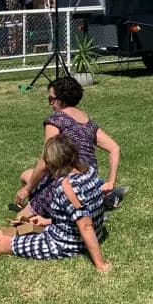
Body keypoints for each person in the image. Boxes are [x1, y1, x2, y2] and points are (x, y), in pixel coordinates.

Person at [0, 135, 110, 271]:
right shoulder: (89, 171)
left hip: (66, 242)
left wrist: (100, 264)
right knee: (26, 228)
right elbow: (83, 211)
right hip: (89, 233)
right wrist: (48, 221)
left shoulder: (67, 186)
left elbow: (85, 225)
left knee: (4, 243)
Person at [14, 75, 125, 216]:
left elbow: (46, 160)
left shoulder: (56, 120)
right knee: (27, 174)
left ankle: (52, 212)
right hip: (90, 182)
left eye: (51, 99)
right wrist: (111, 181)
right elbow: (115, 148)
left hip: (67, 182)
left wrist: (27, 190)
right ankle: (100, 197)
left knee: (22, 217)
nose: (50, 104)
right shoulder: (86, 120)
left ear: (60, 100)